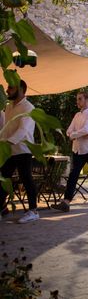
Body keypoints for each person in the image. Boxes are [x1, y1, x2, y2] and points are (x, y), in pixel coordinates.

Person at [52, 91, 88, 212]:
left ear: (87, 100)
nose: (77, 101)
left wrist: (74, 135)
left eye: (80, 99)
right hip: (78, 149)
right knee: (73, 175)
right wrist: (75, 134)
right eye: (77, 99)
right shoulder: (77, 115)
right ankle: (66, 202)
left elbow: (87, 130)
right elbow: (69, 130)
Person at [0, 80, 38, 224]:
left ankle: (33, 211)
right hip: (9, 150)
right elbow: (6, 128)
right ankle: (2, 209)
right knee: (3, 179)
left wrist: (7, 142)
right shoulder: (8, 107)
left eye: (11, 87)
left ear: (21, 89)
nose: (7, 90)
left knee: (26, 179)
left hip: (23, 149)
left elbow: (23, 130)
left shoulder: (29, 108)